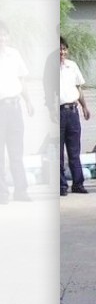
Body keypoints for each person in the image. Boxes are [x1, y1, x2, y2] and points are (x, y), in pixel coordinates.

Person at [0, 22, 35, 203]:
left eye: (4, 35)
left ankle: (21, 191)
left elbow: (21, 80)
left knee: (16, 152)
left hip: (14, 107)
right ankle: (2, 194)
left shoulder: (14, 54)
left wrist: (28, 101)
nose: (2, 39)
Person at [57, 36, 92, 196]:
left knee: (74, 150)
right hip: (58, 112)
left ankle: (78, 184)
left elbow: (78, 88)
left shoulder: (72, 66)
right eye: (58, 49)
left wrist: (84, 106)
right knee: (58, 152)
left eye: (64, 49)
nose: (61, 52)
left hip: (73, 111)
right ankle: (61, 186)